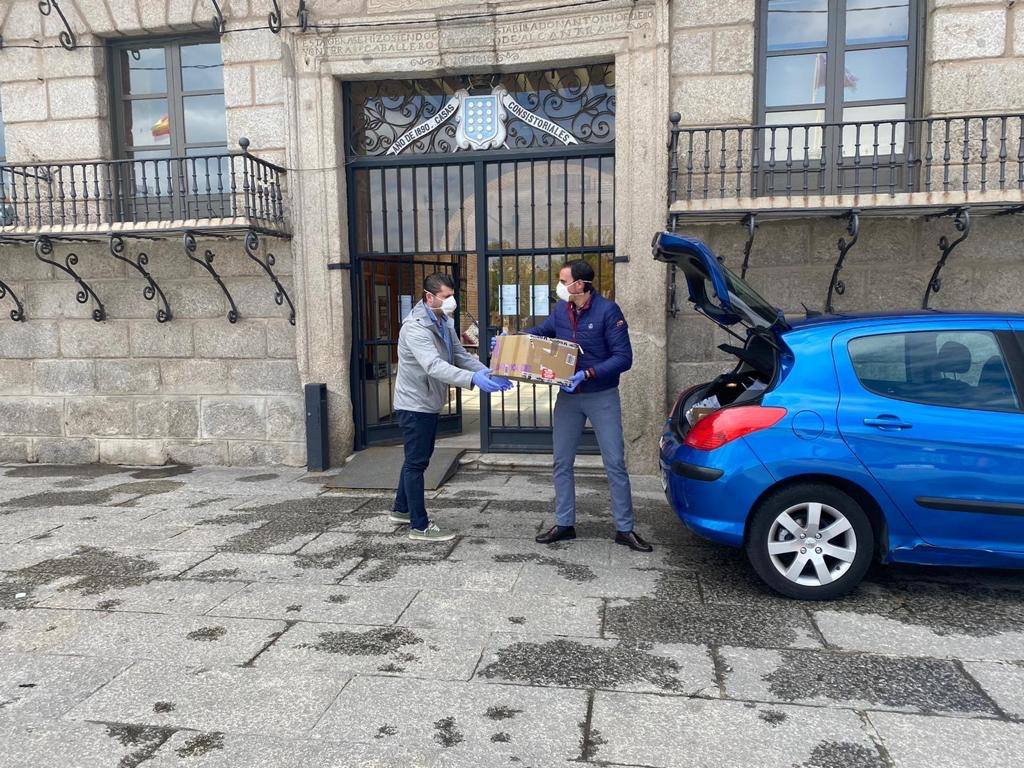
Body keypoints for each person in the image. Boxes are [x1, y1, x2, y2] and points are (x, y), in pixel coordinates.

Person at [511, 260, 653, 552]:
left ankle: (624, 529)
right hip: (568, 398)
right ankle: (564, 524)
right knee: (561, 461)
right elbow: (543, 331)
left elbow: (623, 358)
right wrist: (515, 340)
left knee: (614, 462)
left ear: (581, 285)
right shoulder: (561, 310)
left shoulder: (608, 311)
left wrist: (587, 373)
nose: (560, 286)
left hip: (601, 396)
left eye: (564, 281)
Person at [392, 273, 513, 541]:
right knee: (417, 462)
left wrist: (488, 372)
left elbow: (459, 355)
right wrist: (473, 380)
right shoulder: (414, 327)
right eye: (446, 297)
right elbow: (433, 365)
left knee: (417, 456)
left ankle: (401, 509)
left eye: (452, 296)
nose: (452, 302)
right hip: (415, 403)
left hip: (428, 401)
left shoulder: (443, 320)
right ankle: (419, 526)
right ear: (429, 297)